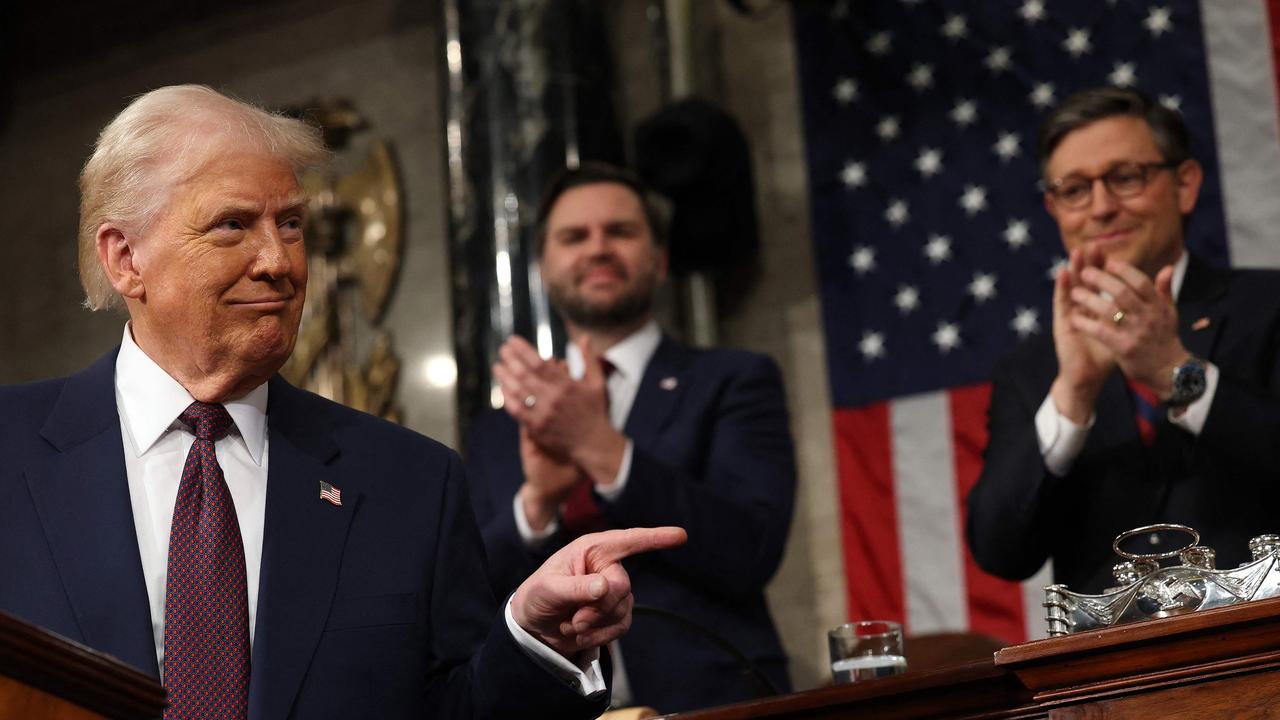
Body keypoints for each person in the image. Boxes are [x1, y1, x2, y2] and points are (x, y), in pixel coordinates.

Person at [0, 85, 686, 720]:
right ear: (126, 259)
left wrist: (534, 639)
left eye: (292, 224)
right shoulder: (11, 451)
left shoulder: (409, 481)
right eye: (233, 225)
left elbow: (453, 709)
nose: (279, 261)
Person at [465, 162, 796, 713]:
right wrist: (538, 502)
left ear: (659, 259)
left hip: (716, 703)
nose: (598, 248)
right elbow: (470, 598)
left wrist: (603, 449)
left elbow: (751, 550)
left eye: (620, 231)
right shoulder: (498, 428)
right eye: (574, 237)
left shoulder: (734, 380)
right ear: (544, 269)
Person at [967, 86, 1280, 595]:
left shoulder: (1268, 307)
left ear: (1185, 184)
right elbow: (1000, 550)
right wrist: (1072, 396)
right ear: (1054, 208)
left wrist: (1176, 375)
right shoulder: (1032, 370)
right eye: (1074, 190)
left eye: (1125, 178)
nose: (1101, 207)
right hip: (1111, 670)